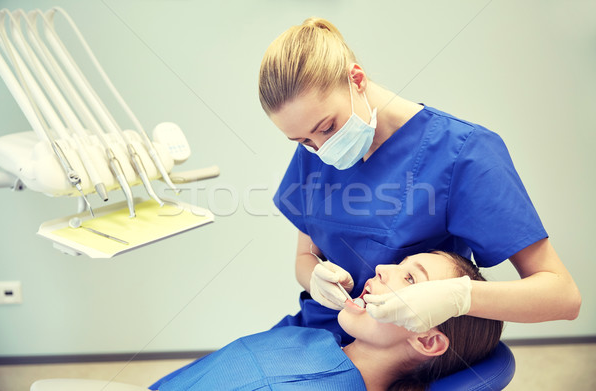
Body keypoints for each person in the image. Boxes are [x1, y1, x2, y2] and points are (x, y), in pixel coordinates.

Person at [258, 17, 581, 344]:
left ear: (356, 79)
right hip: (314, 332)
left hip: (392, 349)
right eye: (302, 141)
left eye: (327, 128)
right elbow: (305, 257)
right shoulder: (316, 150)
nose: (321, 148)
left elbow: (562, 296)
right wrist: (313, 277)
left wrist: (458, 297)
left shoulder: (464, 154)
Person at [150, 252, 503, 391]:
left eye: (411, 279)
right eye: (401, 264)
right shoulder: (314, 338)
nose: (382, 268)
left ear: (427, 340)